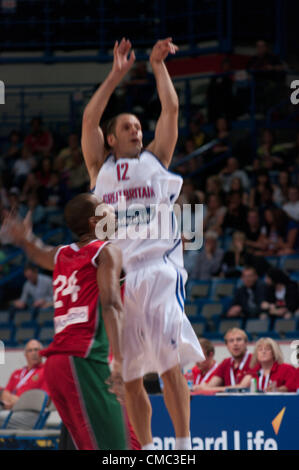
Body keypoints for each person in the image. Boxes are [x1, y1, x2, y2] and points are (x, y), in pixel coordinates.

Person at [81, 37, 205, 450]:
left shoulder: (156, 160)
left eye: (138, 126)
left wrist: (157, 66)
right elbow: (88, 121)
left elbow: (170, 109)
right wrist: (116, 74)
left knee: (170, 365)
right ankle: (148, 450)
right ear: (112, 140)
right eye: (127, 127)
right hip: (121, 282)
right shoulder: (100, 169)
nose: (136, 130)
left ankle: (184, 446)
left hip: (160, 271)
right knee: (130, 377)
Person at [3, 193, 131, 450]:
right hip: (83, 359)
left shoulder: (62, 253)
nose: (111, 211)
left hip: (58, 365)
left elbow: (39, 254)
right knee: (116, 448)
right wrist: (118, 361)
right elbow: (111, 304)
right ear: (95, 222)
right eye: (104, 209)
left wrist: (23, 240)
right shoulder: (107, 251)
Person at [0, 339, 48, 428]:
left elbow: (44, 400)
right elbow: (5, 394)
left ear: (42, 353)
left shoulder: (46, 371)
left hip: (31, 414)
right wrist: (14, 400)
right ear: (25, 355)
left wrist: (18, 402)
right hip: (11, 411)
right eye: (30, 350)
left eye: (36, 350)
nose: (34, 353)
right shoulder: (17, 373)